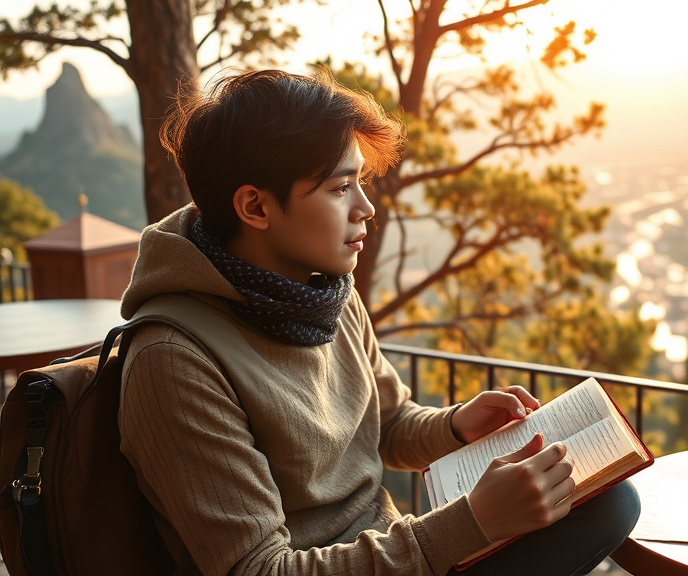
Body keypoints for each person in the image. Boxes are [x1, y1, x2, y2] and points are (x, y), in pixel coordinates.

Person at [118, 68, 640, 576]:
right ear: (255, 206)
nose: (366, 207)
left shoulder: (323, 292)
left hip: (396, 549)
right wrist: (469, 524)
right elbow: (258, 568)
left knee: (606, 497)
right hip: (384, 557)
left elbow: (388, 426)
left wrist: (458, 425)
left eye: (360, 182)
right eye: (340, 188)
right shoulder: (173, 358)